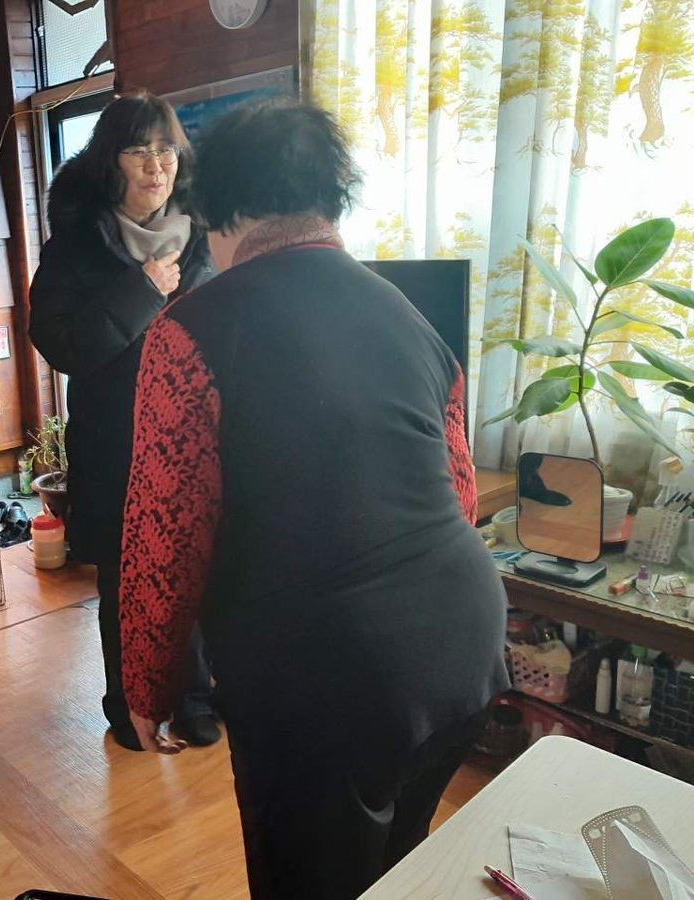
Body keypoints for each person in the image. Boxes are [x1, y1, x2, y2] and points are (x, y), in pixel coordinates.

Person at [118, 99, 510, 899]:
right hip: (464, 646)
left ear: (220, 210)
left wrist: (147, 688)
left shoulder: (188, 331)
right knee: (396, 868)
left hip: (324, 680)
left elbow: (166, 537)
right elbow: (460, 492)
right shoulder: (410, 316)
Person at [29, 92, 220, 751]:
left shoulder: (204, 235)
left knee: (193, 568)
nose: (156, 166)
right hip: (116, 440)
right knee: (125, 578)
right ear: (109, 162)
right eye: (139, 151)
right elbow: (60, 344)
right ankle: (130, 705)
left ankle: (194, 698)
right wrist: (140, 290)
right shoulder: (76, 244)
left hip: (193, 437)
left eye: (166, 150)